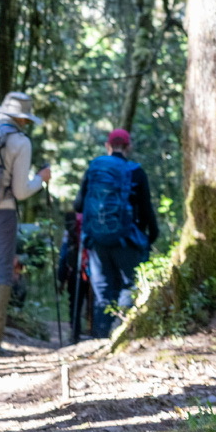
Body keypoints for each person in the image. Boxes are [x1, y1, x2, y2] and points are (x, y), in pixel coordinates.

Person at [0, 92, 51, 356]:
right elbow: (20, 191)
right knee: (3, 271)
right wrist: (41, 179)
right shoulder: (20, 142)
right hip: (2, 212)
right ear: (22, 118)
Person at [73, 128, 158, 338]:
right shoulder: (135, 171)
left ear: (107, 146)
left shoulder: (95, 168)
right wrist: (151, 235)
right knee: (130, 284)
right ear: (128, 146)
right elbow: (146, 209)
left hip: (97, 241)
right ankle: (121, 333)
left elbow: (78, 206)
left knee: (103, 289)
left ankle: (101, 337)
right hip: (126, 240)